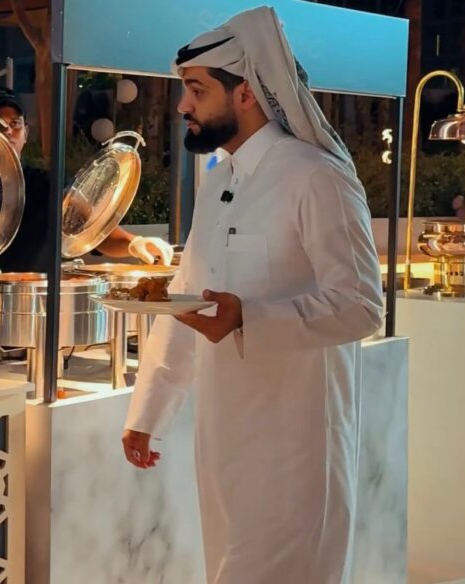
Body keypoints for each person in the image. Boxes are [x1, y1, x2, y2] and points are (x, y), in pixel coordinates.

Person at [120, 7, 384, 583]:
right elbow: (187, 297)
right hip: (223, 440)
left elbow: (362, 305)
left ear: (245, 92)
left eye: (196, 90)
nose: (183, 106)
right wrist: (148, 413)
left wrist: (249, 320)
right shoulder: (220, 181)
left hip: (296, 447)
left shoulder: (317, 177)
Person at [0, 87, 174, 368]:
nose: (7, 130)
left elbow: (94, 231)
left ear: (26, 132)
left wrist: (135, 243)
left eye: (15, 123)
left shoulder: (46, 185)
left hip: (40, 337)